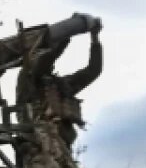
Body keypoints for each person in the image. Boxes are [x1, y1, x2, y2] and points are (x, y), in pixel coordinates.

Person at [15, 18, 104, 148]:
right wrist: (68, 32)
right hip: (38, 146)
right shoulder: (28, 81)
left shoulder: (61, 86)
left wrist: (94, 39)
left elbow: (93, 70)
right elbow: (46, 59)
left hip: (62, 147)